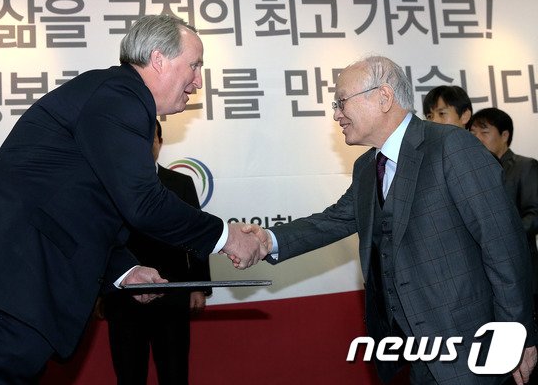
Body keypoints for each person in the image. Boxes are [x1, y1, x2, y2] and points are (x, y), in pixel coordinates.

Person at [0, 14, 264, 383]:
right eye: (194, 65)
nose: (197, 80)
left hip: (16, 290)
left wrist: (126, 270)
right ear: (159, 59)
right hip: (10, 288)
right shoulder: (121, 95)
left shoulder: (112, 96)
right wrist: (226, 237)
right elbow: (144, 203)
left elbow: (85, 207)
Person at [241, 56, 537, 384]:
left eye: (341, 102)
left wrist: (518, 333)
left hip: (472, 346)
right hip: (417, 354)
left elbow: (503, 243)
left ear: (383, 97)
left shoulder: (451, 147)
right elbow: (335, 220)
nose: (336, 114)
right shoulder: (368, 167)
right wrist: (268, 240)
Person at [103, 121, 211, 385]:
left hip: (172, 293)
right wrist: (100, 289)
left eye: (150, 138)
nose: (144, 143)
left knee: (174, 372)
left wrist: (199, 286)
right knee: (129, 373)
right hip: (123, 296)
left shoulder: (180, 183)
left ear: (160, 143)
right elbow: (101, 239)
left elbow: (197, 235)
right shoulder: (109, 184)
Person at [467, 107, 538, 313]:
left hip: (524, 272)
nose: (477, 138)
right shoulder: (474, 173)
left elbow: (534, 216)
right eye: (472, 133)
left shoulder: (525, 166)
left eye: (484, 132)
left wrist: (498, 236)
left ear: (505, 135)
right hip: (488, 279)